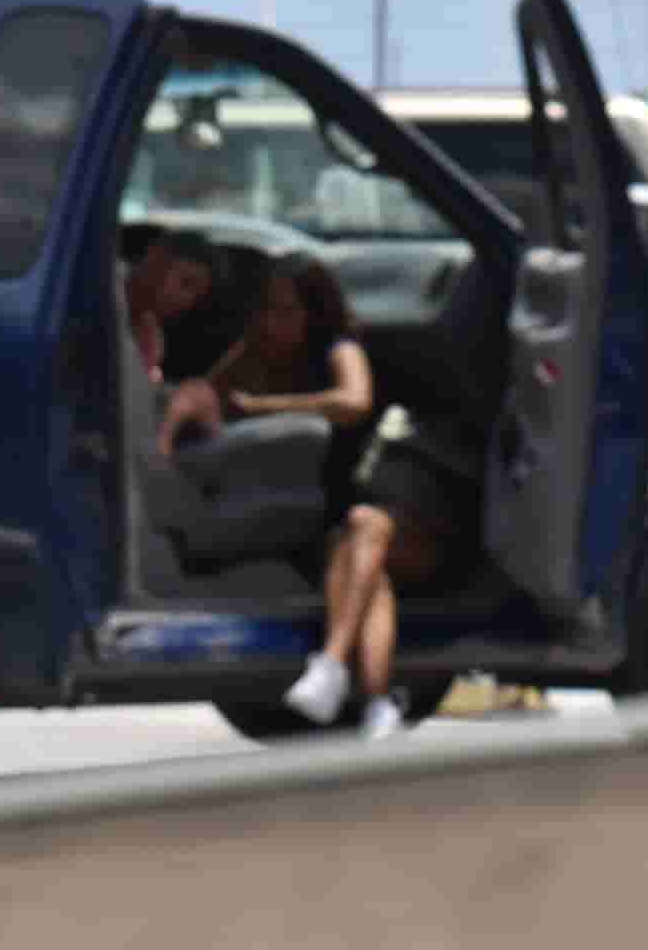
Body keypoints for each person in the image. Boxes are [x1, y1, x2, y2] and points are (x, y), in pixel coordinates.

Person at [162, 250, 476, 740]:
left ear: (314, 314)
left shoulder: (338, 348)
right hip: (342, 531)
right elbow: (211, 390)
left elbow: (354, 401)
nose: (272, 323)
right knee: (367, 573)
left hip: (408, 514)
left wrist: (267, 407)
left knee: (367, 528)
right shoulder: (258, 351)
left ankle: (331, 664)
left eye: (285, 311)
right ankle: (375, 702)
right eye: (265, 309)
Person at [120, 229, 222, 385]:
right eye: (186, 283)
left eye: (196, 297)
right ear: (157, 258)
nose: (187, 301)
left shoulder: (152, 339)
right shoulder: (98, 285)